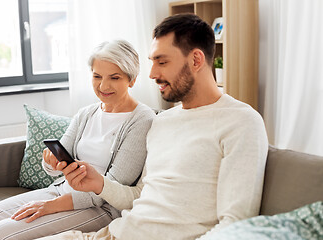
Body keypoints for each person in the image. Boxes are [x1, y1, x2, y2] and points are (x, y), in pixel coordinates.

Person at [37, 13, 269, 240]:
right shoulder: (162, 122)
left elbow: (235, 224)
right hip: (115, 233)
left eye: (163, 62)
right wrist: (100, 183)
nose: (152, 74)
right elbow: (138, 196)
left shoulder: (240, 122)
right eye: (152, 62)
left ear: (196, 60)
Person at [0, 40, 156, 240]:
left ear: (131, 80)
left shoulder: (142, 119)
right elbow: (56, 167)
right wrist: (51, 162)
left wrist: (51, 206)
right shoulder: (86, 113)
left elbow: (111, 188)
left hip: (100, 208)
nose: (103, 85)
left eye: (114, 78)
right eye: (97, 76)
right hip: (60, 191)